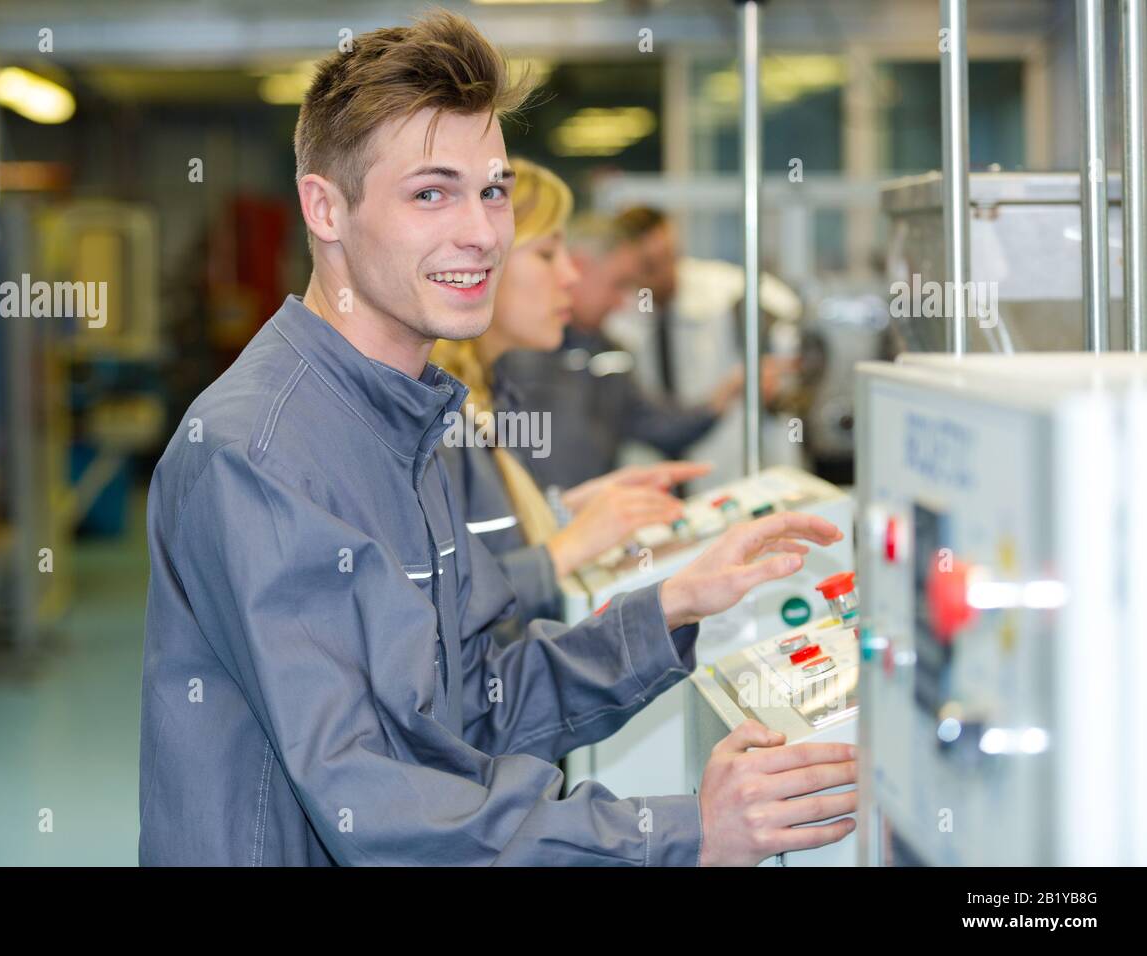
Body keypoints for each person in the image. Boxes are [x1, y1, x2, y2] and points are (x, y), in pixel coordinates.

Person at [140, 9, 855, 866]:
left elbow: (471, 709)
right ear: (325, 208)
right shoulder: (260, 454)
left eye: (493, 189)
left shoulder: (410, 419)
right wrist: (683, 831)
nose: (481, 233)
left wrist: (672, 606)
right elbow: (373, 801)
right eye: (430, 193)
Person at [430, 159, 710, 625]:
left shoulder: (481, 395)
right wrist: (570, 545)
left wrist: (568, 511)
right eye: (546, 255)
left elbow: (491, 544)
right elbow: (445, 616)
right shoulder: (436, 418)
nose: (570, 277)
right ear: (478, 259)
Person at [498, 212, 740, 491]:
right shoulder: (512, 350)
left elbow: (657, 424)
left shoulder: (608, 353)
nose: (620, 303)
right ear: (579, 267)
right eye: (618, 284)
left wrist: (726, 395)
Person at [607, 206, 803, 483]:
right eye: (646, 266)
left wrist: (773, 374)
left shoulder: (725, 289)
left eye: (667, 259)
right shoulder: (617, 306)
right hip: (651, 461)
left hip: (723, 459)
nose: (661, 274)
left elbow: (791, 324)